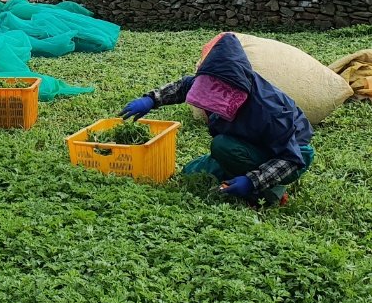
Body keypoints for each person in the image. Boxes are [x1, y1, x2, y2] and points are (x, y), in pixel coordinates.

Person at [118, 31, 314, 205]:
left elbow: (290, 159)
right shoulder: (215, 79)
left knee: (222, 147)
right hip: (249, 142)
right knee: (191, 172)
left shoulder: (270, 110)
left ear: (235, 94)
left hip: (290, 153)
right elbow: (184, 86)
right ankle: (243, 171)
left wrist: (253, 181)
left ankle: (272, 191)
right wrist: (152, 99)